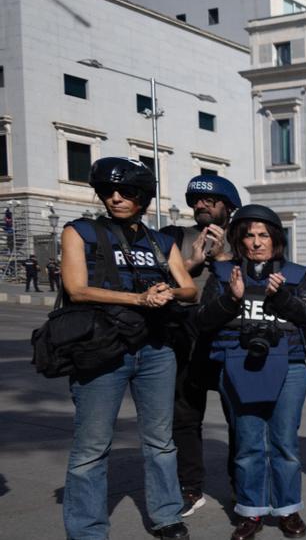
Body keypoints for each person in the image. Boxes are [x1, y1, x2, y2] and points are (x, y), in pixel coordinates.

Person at [59, 156, 196, 540]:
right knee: (91, 446)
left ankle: (167, 516)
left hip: (155, 350)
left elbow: (189, 287)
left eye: (126, 192)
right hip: (100, 349)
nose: (115, 198)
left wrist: (168, 290)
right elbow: (76, 289)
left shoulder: (159, 240)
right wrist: (139, 299)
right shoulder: (79, 231)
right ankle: (86, 530)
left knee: (160, 441)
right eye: (107, 191)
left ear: (143, 197)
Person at [195, 204, 306, 540]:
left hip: (290, 367)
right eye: (249, 235)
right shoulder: (223, 275)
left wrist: (283, 300)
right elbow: (202, 321)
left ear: (275, 238)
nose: (256, 242)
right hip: (237, 365)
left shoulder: (294, 274)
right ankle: (251, 512)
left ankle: (288, 509)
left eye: (263, 235)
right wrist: (231, 300)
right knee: (248, 444)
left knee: (285, 443)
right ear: (239, 239)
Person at [161, 174, 241, 516]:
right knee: (184, 417)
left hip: (231, 337)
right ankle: (191, 488)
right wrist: (190, 264)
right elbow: (151, 280)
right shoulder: (172, 237)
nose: (200, 205)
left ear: (229, 205)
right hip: (184, 335)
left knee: (239, 418)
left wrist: (226, 257)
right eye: (195, 200)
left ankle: (243, 488)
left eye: (209, 200)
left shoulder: (247, 237)